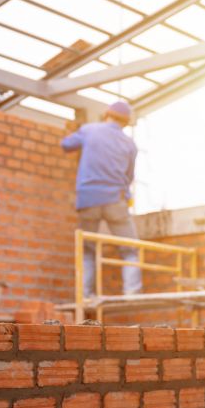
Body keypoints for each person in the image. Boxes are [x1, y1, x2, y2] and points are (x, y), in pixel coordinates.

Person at [61, 101, 142, 297]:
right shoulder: (129, 144)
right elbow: (129, 176)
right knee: (130, 250)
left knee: (88, 250)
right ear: (126, 121)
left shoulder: (90, 130)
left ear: (107, 114)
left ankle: (85, 296)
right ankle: (131, 294)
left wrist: (70, 131)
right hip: (115, 199)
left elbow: (66, 145)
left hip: (88, 198)